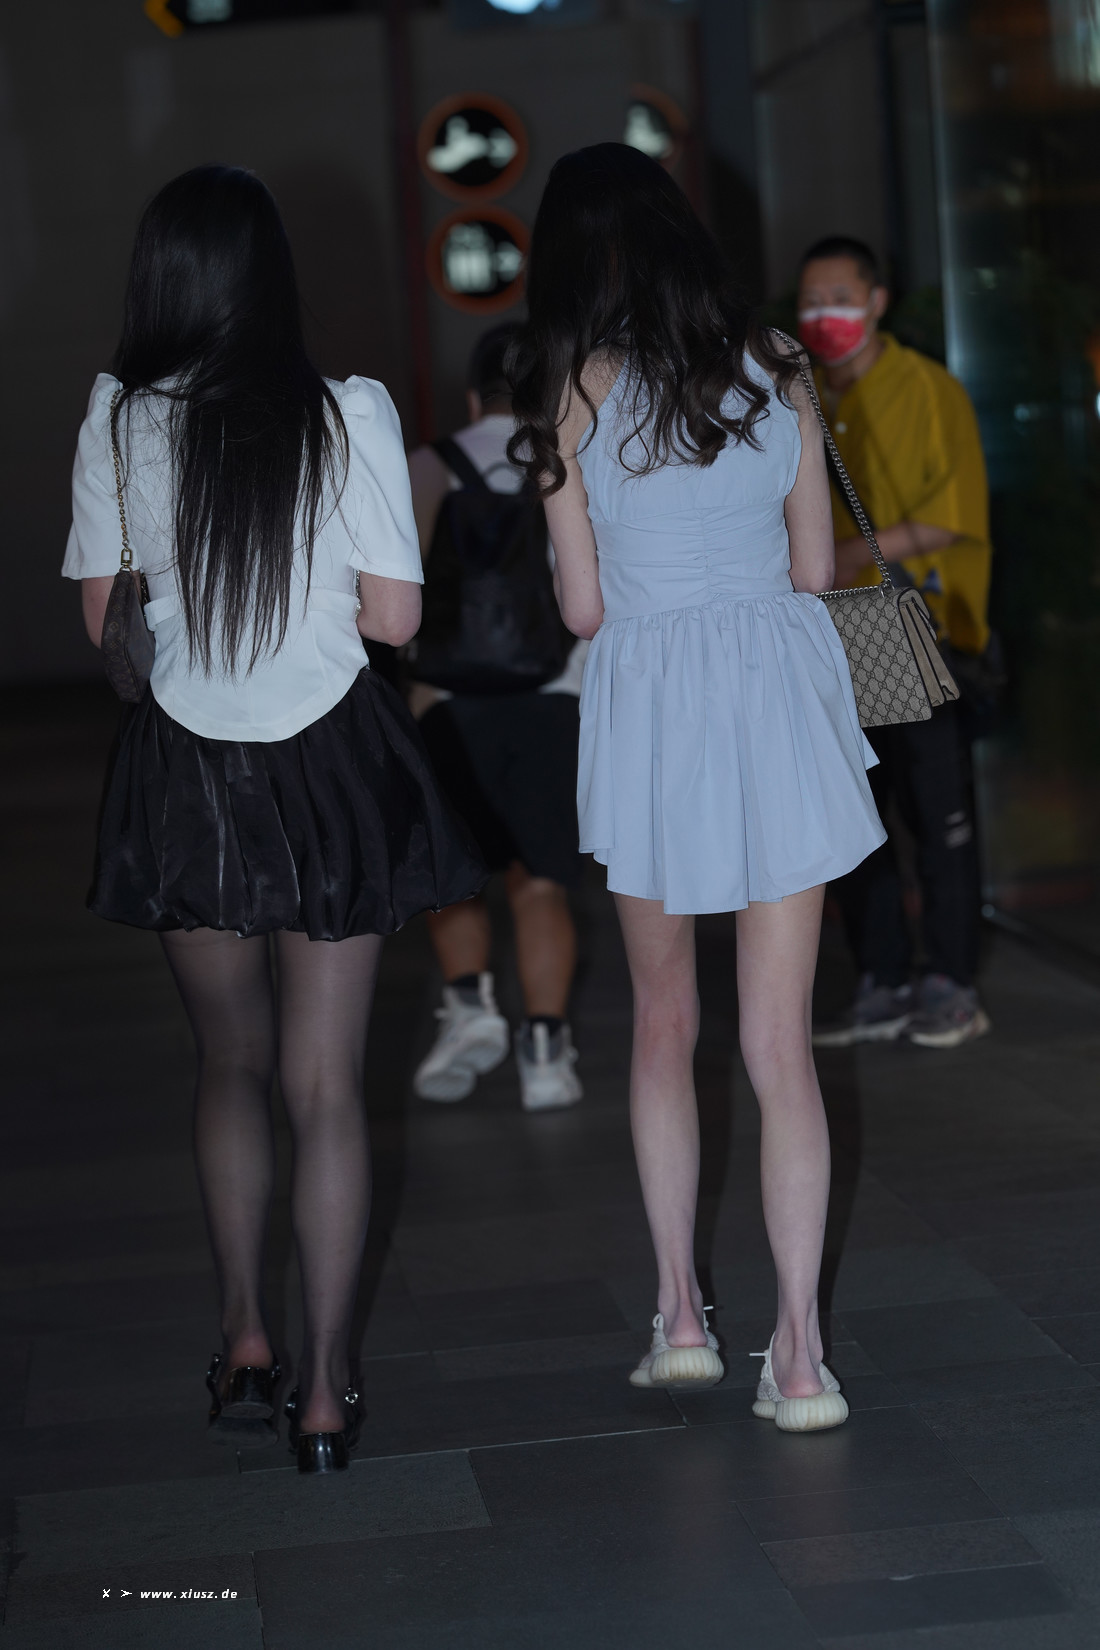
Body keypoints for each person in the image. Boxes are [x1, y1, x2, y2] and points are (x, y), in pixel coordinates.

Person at [62, 166, 483, 1474]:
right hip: (332, 768)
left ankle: (245, 1336)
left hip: (187, 774)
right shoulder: (347, 410)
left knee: (228, 1065)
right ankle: (326, 1391)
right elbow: (396, 620)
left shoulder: (120, 415)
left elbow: (104, 625)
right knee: (325, 1085)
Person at [508, 144, 886, 1430]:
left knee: (662, 1022)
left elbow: (581, 607)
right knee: (780, 1044)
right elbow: (814, 570)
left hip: (654, 709)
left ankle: (679, 1319)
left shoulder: (570, 386)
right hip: (776, 697)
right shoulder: (777, 362)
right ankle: (800, 1359)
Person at [797, 236, 993, 1050]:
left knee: (935, 811)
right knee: (855, 812)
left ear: (877, 300)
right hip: (830, 631)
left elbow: (951, 515)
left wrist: (845, 553)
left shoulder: (928, 388)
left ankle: (950, 979)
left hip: (914, 628)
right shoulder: (798, 392)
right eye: (811, 301)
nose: (824, 315)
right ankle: (880, 978)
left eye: (840, 297)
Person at [405, 325, 586, 1112]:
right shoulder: (566, 462)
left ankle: (470, 1004)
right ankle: (545, 1055)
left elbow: (397, 596)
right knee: (541, 884)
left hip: (450, 702)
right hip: (553, 695)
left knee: (456, 879)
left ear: (473, 397)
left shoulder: (427, 466)